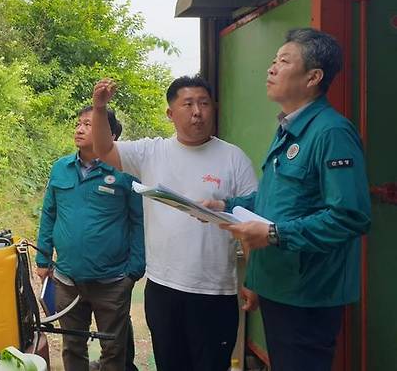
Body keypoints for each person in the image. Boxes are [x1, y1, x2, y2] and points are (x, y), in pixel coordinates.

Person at [207, 28, 371, 371]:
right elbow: (278, 201)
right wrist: (228, 206)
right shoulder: (289, 128)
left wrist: (273, 235)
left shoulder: (331, 133)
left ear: (313, 76)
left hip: (308, 294)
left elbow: (349, 216)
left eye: (283, 61)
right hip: (280, 285)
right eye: (273, 60)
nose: (271, 68)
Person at [92, 75, 258, 371]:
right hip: (163, 288)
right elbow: (104, 150)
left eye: (204, 103)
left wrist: (253, 279)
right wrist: (100, 108)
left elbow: (250, 223)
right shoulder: (151, 152)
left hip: (214, 291)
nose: (198, 111)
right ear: (170, 113)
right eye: (189, 104)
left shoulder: (233, 158)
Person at [35, 105, 145, 371]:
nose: (80, 129)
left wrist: (134, 270)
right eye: (79, 123)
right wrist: (43, 257)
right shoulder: (61, 168)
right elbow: (49, 213)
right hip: (67, 279)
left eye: (89, 124)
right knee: (73, 345)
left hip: (112, 280)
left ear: (109, 134)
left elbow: (139, 221)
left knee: (113, 347)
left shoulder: (125, 173)